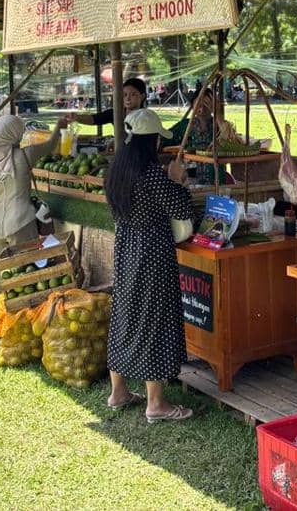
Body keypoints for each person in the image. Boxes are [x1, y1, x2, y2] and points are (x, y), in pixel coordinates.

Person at [104, 108, 195, 422]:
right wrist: (178, 180)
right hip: (152, 250)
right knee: (154, 317)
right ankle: (156, 404)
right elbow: (181, 208)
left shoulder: (116, 169)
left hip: (126, 247)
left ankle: (118, 392)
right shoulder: (152, 172)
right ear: (151, 139)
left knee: (125, 314)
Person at [0, 113, 67, 305]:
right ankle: (23, 316)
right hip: (22, 224)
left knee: (1, 275)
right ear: (13, 135)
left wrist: (2, 195)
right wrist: (59, 126)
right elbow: (51, 145)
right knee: (26, 274)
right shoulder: (26, 155)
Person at [69, 77, 147, 131]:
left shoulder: (146, 117)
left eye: (133, 94)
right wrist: (76, 117)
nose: (128, 98)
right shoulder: (116, 113)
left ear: (142, 96)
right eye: (125, 94)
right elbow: (94, 119)